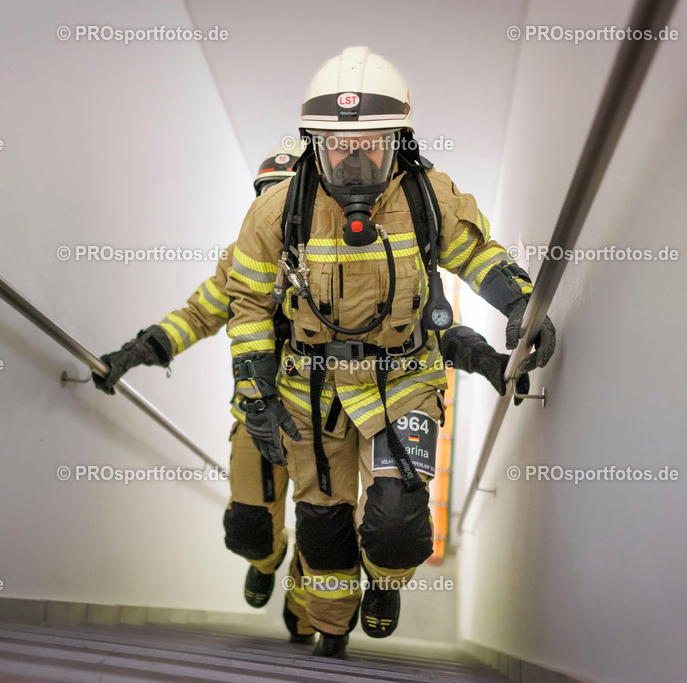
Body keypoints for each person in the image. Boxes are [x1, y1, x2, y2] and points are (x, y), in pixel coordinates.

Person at [225, 46, 556, 658]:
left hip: (402, 377)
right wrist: (256, 392)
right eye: (337, 146)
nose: (354, 160)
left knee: (399, 522)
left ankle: (385, 582)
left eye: (371, 144)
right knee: (323, 528)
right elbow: (245, 303)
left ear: (398, 141)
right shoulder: (277, 211)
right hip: (312, 388)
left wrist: (520, 305)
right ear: (313, 144)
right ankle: (329, 623)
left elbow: (477, 252)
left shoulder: (428, 196)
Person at [92, 143, 317, 643]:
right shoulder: (240, 261)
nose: (277, 207)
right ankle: (267, 559)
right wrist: (133, 353)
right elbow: (197, 316)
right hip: (257, 420)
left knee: (324, 535)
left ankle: (305, 610)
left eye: (286, 194)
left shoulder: (345, 259)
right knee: (247, 532)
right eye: (266, 194)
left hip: (323, 427)